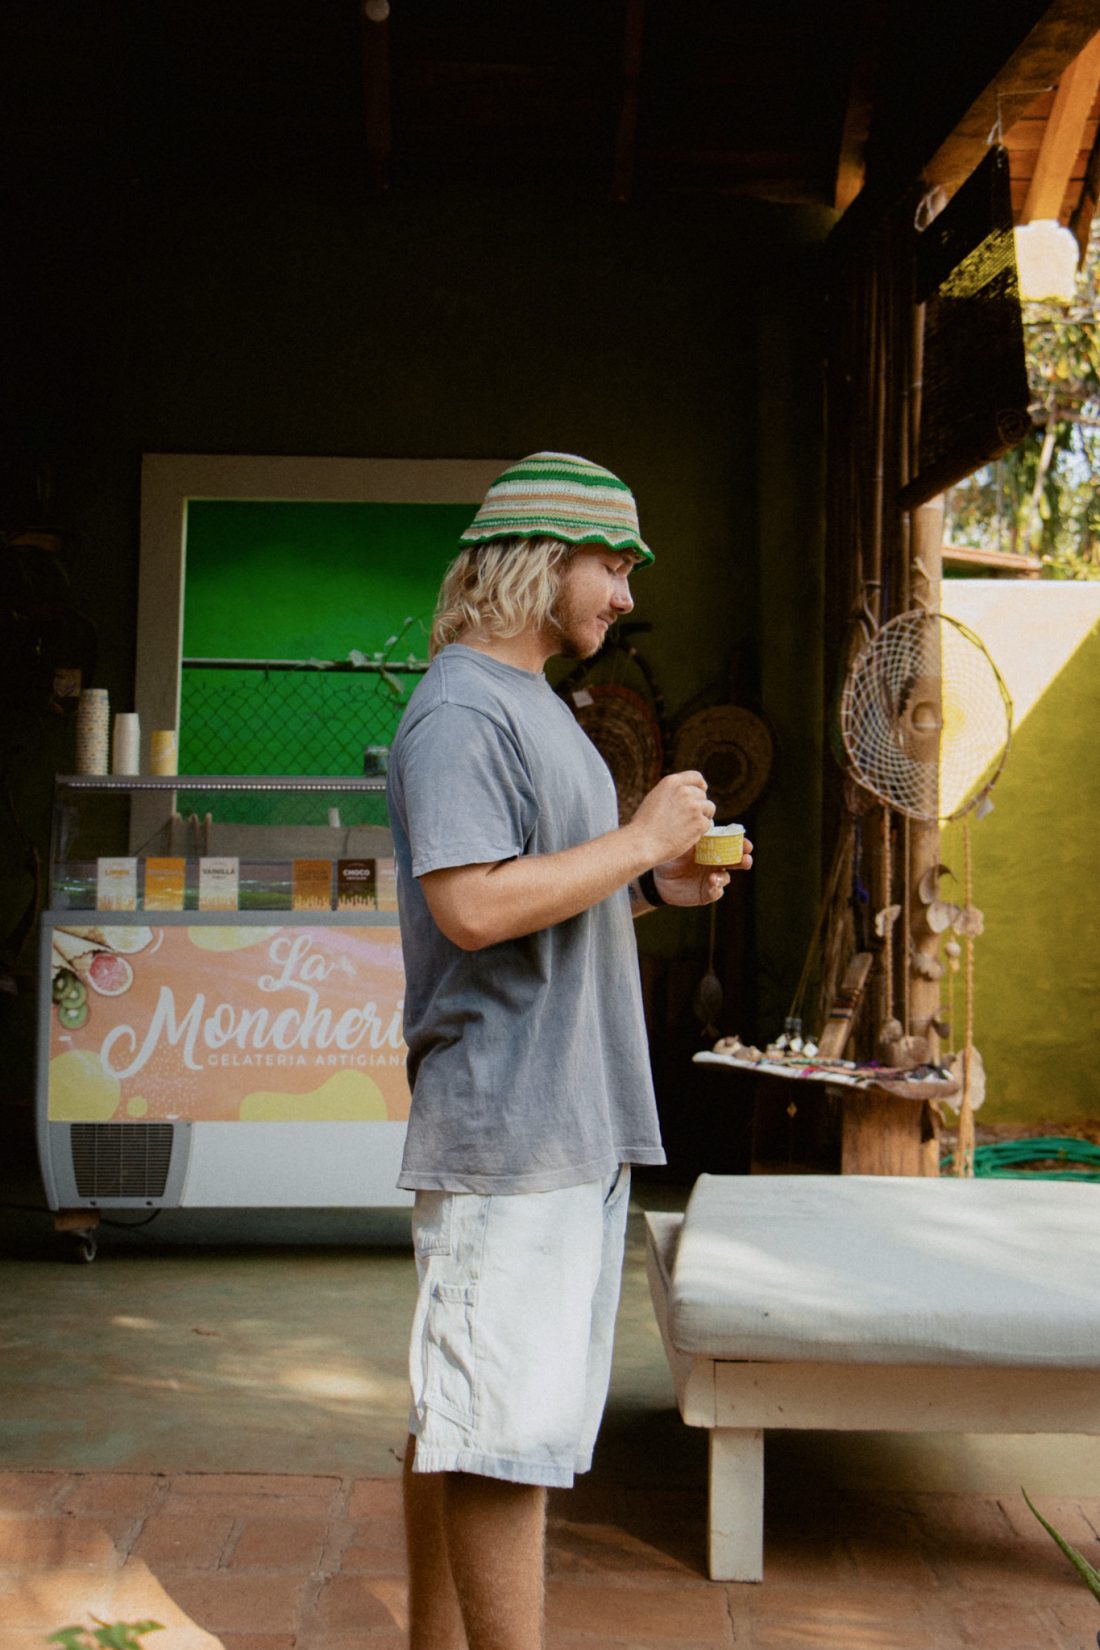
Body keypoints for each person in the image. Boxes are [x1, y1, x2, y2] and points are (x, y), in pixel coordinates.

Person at [386, 451, 752, 1650]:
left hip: (567, 1112)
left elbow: (539, 892)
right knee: (506, 1433)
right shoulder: (460, 708)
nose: (626, 595)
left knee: (471, 1410)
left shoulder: (536, 704)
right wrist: (639, 831)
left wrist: (651, 883)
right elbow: (473, 908)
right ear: (542, 559)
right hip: (513, 1117)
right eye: (613, 564)